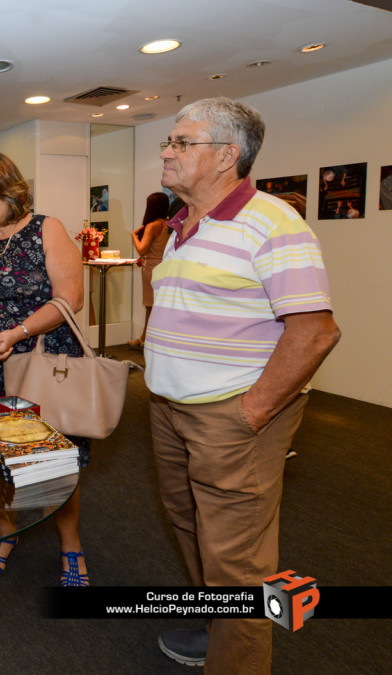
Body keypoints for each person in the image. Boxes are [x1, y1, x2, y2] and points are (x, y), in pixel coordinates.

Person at [148, 97, 340, 672]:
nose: (167, 150)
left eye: (183, 142)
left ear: (227, 155)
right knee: (187, 524)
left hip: (229, 418)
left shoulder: (272, 223)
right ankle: (219, 626)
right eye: (170, 140)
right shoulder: (181, 224)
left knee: (239, 565)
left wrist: (249, 414)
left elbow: (315, 333)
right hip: (169, 410)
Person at [0, 150, 89, 585]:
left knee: (55, 460)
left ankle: (71, 545)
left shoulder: (48, 230)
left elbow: (70, 299)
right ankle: (6, 532)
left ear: (12, 193)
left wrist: (19, 331)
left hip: (44, 365)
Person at [128, 192, 171, 348]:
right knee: (155, 306)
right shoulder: (168, 224)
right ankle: (145, 338)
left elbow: (142, 249)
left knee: (151, 306)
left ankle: (148, 341)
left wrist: (133, 235)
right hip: (164, 267)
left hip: (151, 269)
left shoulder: (152, 226)